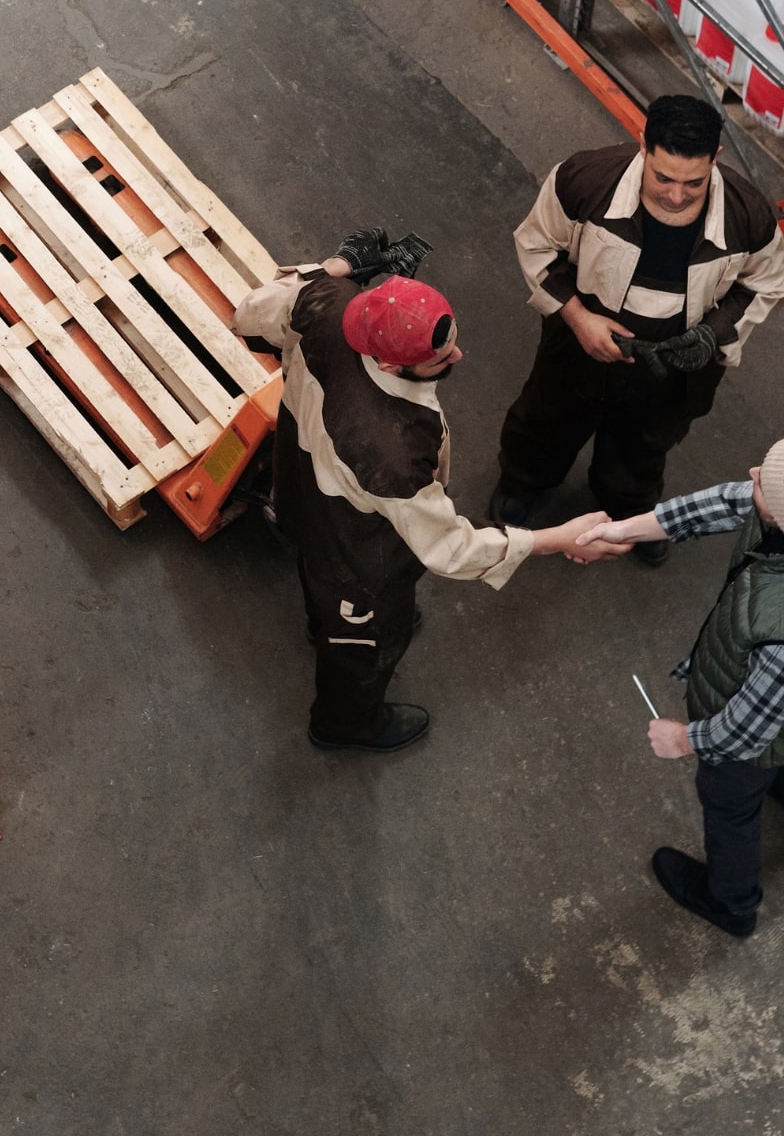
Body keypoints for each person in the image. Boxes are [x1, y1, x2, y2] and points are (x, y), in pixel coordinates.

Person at [234, 234, 629, 755]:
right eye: (441, 358)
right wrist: (557, 538)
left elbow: (249, 315)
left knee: (315, 567)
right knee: (367, 640)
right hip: (357, 553)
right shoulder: (390, 451)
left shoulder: (329, 300)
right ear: (394, 367)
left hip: (301, 489)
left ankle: (322, 623)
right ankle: (345, 724)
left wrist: (337, 266)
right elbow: (449, 548)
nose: (458, 355)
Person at [488, 95, 784, 565]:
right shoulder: (583, 181)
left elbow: (765, 283)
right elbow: (536, 246)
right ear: (643, 145)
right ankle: (525, 482)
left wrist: (714, 332)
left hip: (677, 367)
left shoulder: (750, 217)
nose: (675, 194)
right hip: (578, 348)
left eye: (694, 181)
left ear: (717, 159)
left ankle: (629, 511)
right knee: (546, 421)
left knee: (645, 444)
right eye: (663, 176)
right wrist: (578, 318)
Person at [580, 442, 784, 938]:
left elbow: (744, 730)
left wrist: (685, 739)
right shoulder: (771, 508)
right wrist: (624, 528)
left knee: (730, 801)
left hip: (752, 739)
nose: (752, 471)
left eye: (764, 481)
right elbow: (726, 502)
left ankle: (732, 902)